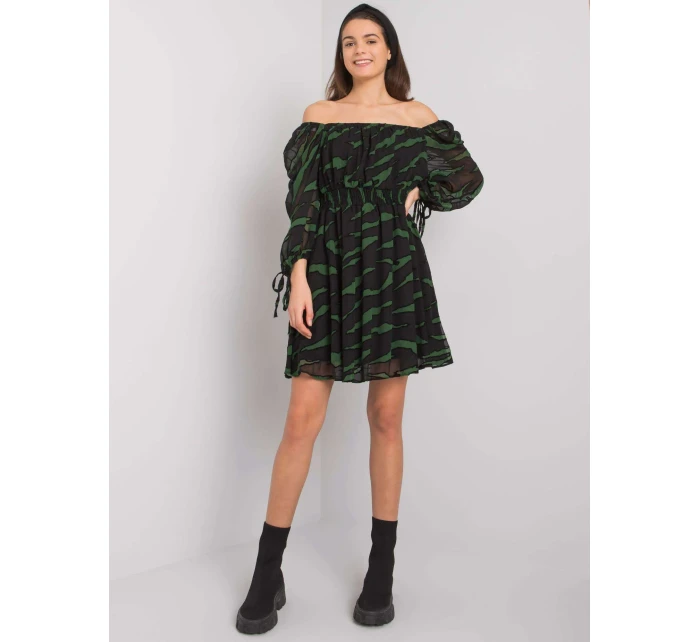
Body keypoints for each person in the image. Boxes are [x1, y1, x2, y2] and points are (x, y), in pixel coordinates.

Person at [236, 3, 484, 634]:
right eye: (349, 41)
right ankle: (267, 574)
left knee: (386, 418)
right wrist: (297, 274)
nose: (360, 49)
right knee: (301, 421)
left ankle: (381, 572)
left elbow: (466, 179)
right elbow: (303, 203)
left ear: (390, 49)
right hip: (326, 271)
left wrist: (422, 192)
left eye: (371, 39)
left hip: (393, 272)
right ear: (341, 54)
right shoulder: (319, 119)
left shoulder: (417, 118)